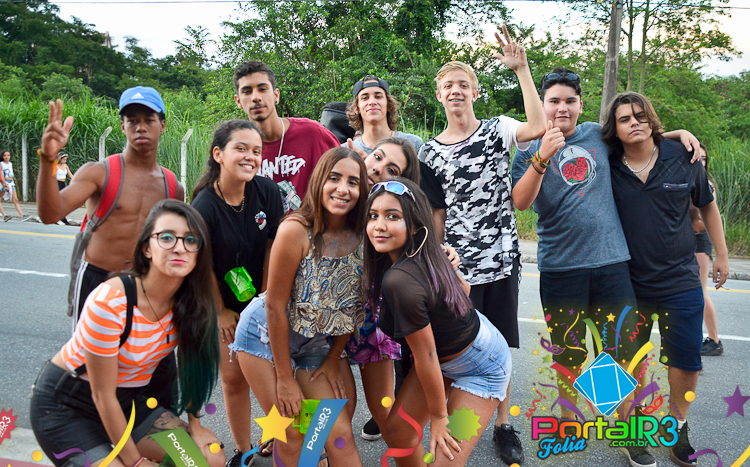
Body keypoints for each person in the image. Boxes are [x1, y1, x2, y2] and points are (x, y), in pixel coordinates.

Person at [511, 67, 702, 467]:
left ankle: (626, 428)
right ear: (542, 105)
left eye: (570, 101)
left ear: (580, 104)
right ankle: (569, 421)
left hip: (613, 264)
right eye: (554, 101)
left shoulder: (596, 136)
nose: (562, 108)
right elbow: (521, 202)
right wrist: (543, 156)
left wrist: (679, 134)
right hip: (561, 267)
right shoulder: (528, 147)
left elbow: (638, 136)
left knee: (620, 352)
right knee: (569, 352)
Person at [419, 26, 546, 465]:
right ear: (440, 96)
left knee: (500, 346)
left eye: (463, 84)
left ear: (475, 91)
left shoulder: (498, 128)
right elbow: (435, 215)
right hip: (458, 270)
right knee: (457, 346)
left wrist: (522, 69)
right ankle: (452, 426)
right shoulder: (429, 153)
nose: (456, 91)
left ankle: (502, 425)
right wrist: (435, 261)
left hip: (502, 261)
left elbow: (538, 126)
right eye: (448, 86)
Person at [30, 199, 223, 467]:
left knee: (207, 458)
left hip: (127, 404)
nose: (180, 247)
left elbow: (193, 366)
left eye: (191, 240)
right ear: (147, 248)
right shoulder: (111, 301)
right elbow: (102, 396)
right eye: (167, 237)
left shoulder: (191, 304)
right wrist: (136, 462)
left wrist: (196, 425)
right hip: (68, 406)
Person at [37, 88, 184, 411]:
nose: (140, 127)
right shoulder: (99, 172)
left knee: (154, 370)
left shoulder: (173, 186)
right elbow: (50, 213)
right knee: (90, 373)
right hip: (97, 282)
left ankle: (152, 431)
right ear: (122, 126)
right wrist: (48, 160)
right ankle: (89, 429)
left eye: (148, 120)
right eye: (132, 120)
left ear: (162, 124)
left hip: (146, 290)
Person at [603, 91, 729, 467]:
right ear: (615, 129)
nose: (634, 123)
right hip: (625, 282)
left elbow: (707, 205)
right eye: (625, 119)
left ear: (652, 119)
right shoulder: (606, 161)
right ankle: (629, 430)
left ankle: (677, 427)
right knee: (621, 363)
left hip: (680, 281)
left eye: (640, 116)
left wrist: (722, 254)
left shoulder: (682, 156)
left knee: (686, 362)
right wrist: (677, 130)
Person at [231, 147, 367, 467]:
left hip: (314, 342)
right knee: (290, 432)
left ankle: (312, 456)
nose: (342, 188)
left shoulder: (365, 237)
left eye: (353, 182)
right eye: (334, 178)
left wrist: (334, 357)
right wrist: (284, 379)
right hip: (264, 334)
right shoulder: (296, 229)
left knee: (338, 432)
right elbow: (275, 306)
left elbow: (354, 307)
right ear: (319, 181)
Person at [364, 178, 511, 467]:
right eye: (373, 215)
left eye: (392, 216)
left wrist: (439, 417)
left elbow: (427, 355)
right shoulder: (423, 253)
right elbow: (465, 292)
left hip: (483, 369)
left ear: (415, 226)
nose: (379, 225)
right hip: (450, 355)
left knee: (446, 460)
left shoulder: (401, 278)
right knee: (398, 431)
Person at [191, 120, 284, 467]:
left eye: (256, 151)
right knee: (233, 380)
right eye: (240, 148)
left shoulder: (267, 192)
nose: (250, 156)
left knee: (276, 376)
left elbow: (274, 246)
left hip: (265, 298)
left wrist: (265, 300)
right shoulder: (204, 205)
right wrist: (220, 312)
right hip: (223, 304)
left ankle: (275, 434)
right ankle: (243, 450)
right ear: (219, 154)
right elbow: (202, 264)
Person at [233, 60, 339, 209]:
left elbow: (345, 174)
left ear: (276, 95)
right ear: (238, 101)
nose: (255, 97)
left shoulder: (313, 133)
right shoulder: (237, 151)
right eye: (247, 91)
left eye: (262, 89)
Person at [690, 144, 724, 357]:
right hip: (689, 240)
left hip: (700, 241)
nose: (701, 162)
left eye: (704, 159)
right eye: (698, 157)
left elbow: (705, 220)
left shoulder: (707, 185)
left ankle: (714, 339)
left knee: (700, 291)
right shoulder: (688, 179)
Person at [1, 149, 29, 221]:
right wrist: (4, 184)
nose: (6, 157)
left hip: (11, 182)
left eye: (8, 155)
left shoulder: (10, 164)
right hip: (4, 182)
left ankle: (22, 216)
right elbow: (1, 175)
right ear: (2, 156)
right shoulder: (1, 164)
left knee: (15, 199)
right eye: (5, 155)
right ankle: (4, 215)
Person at [55, 152, 75, 225]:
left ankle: (62, 217)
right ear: (60, 159)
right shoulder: (55, 166)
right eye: (64, 159)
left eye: (66, 159)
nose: (65, 161)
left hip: (63, 184)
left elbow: (70, 175)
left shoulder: (65, 166)